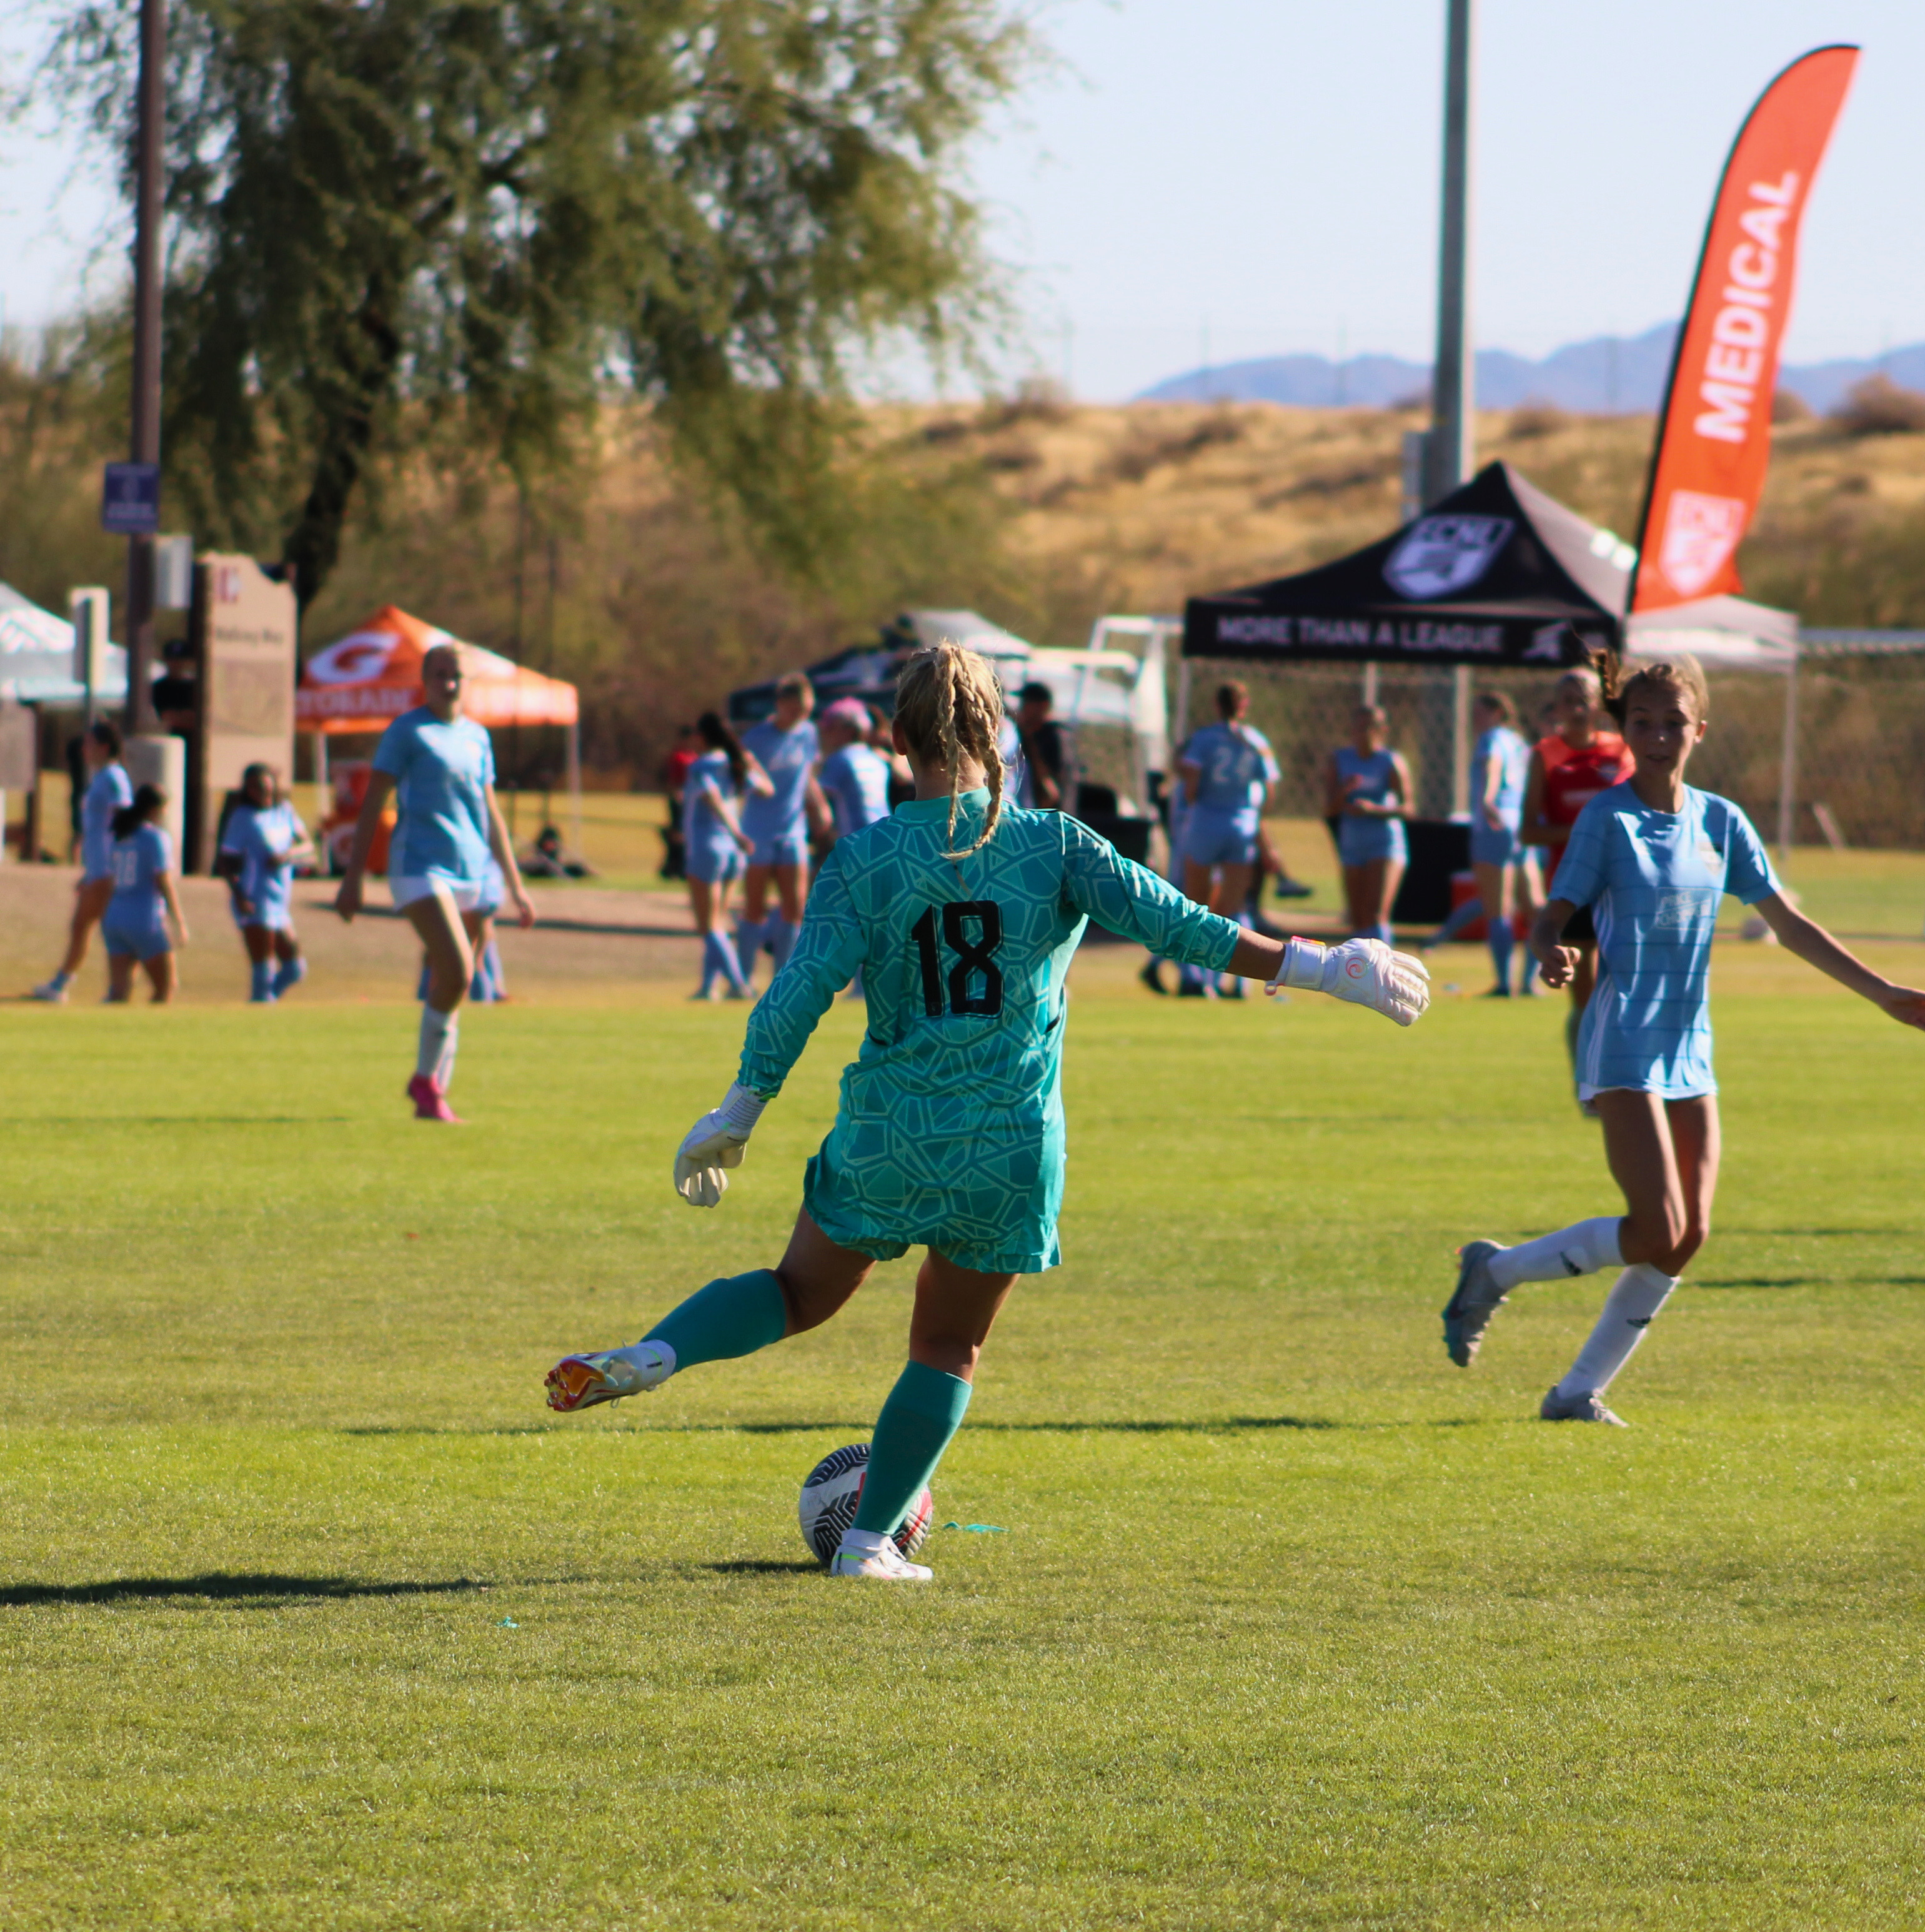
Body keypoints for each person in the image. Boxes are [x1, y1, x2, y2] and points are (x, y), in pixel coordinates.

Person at [538, 643, 1431, 1578]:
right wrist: (1325, 966)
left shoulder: (865, 858)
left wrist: (738, 1111)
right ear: (996, 731)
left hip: (889, 1133)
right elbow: (1182, 926)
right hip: (1005, 1146)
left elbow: (797, 994)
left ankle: (656, 1352)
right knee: (947, 1343)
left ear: (895, 740)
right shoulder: (1052, 842)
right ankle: (870, 1543)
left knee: (799, 1293)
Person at [1441, 651, 1925, 1423]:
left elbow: (1789, 924)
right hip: (1622, 1035)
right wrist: (1552, 944)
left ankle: (1576, 1392)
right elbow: (1558, 908)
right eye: (1641, 722)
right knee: (1654, 1226)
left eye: (1672, 722)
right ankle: (1499, 1272)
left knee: (1687, 1237)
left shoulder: (1722, 819)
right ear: (1624, 732)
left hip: (1691, 1042)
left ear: (1700, 729)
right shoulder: (1606, 817)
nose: (1656, 735)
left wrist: (1881, 991)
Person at [334, 641, 536, 1119]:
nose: (449, 683)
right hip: (419, 867)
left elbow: (490, 813)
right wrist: (353, 878)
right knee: (461, 970)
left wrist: (516, 885)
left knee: (454, 981)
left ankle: (432, 1089)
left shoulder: (477, 738)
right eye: (440, 674)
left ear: (467, 681)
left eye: (457, 675)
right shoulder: (407, 732)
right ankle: (426, 1082)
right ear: (425, 680)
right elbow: (373, 803)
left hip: (470, 868)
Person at [1523, 665, 1636, 1081]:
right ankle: (1589, 1083)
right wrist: (1581, 832)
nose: (1575, 707)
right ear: (1557, 706)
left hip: (1618, 886)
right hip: (1572, 887)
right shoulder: (1546, 755)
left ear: (1597, 704)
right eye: (1567, 699)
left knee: (1624, 988)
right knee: (1584, 995)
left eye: (1583, 698)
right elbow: (1528, 830)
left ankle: (1622, 1080)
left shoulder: (1620, 751)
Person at [1169, 681, 1280, 997]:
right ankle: (1232, 980)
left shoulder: (1204, 739)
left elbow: (1191, 784)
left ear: (1217, 706)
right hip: (1242, 824)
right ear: (1244, 706)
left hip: (1206, 821)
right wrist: (1255, 815)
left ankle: (1194, 978)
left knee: (1196, 905)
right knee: (1231, 908)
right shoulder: (1256, 741)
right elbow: (1270, 790)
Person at [31, 718, 134, 1002]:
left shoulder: (113, 777)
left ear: (103, 746)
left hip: (107, 871)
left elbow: (123, 822)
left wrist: (114, 869)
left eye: (89, 744)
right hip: (98, 869)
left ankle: (68, 986)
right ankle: (77, 985)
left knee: (94, 927)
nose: (84, 749)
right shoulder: (101, 777)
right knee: (89, 926)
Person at [736, 673, 826, 984]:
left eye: (807, 709)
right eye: (797, 708)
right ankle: (743, 979)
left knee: (795, 905)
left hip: (793, 832)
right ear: (781, 705)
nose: (802, 715)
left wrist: (819, 806)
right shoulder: (757, 738)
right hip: (758, 832)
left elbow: (807, 776)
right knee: (755, 907)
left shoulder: (809, 734)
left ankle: (784, 978)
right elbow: (740, 773)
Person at [679, 711, 763, 999]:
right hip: (732, 853)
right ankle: (708, 986)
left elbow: (712, 798)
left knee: (708, 925)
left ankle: (739, 984)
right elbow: (767, 789)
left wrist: (737, 832)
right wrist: (752, 764)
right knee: (720, 921)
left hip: (708, 847)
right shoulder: (734, 763)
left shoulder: (701, 766)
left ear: (702, 737)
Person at [1324, 704, 1415, 948]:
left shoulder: (1390, 761)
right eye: (1359, 726)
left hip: (1384, 842)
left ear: (1382, 730)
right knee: (1357, 917)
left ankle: (1384, 975)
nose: (1364, 732)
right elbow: (1329, 809)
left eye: (1370, 727)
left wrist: (1374, 810)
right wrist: (1345, 792)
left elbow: (1408, 808)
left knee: (1377, 913)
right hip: (1352, 842)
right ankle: (1359, 976)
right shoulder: (1340, 759)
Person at [219, 760, 310, 1001]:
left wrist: (288, 855)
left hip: (279, 898)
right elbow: (226, 861)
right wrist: (238, 895)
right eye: (255, 788)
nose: (261, 793)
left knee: (295, 968)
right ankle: (262, 1005)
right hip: (254, 898)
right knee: (264, 968)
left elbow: (307, 845)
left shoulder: (284, 811)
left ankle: (264, 1003)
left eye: (265, 787)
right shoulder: (243, 817)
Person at [1468, 686, 1538, 998]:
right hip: (1521, 825)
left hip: (1495, 824)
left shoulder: (1493, 738)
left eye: (1479, 711)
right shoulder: (1520, 742)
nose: (1474, 718)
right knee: (1535, 906)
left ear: (1496, 713)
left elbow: (1491, 766)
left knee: (1498, 909)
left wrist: (1487, 797)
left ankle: (1504, 983)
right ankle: (1529, 982)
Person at [99, 784, 187, 1004]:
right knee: (165, 988)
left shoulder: (119, 834)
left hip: (115, 917)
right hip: (144, 919)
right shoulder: (155, 838)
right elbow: (163, 880)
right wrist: (178, 920)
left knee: (119, 993)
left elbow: (110, 878)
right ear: (154, 809)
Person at [815, 700, 896, 853]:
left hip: (857, 841)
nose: (825, 734)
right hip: (887, 836)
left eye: (830, 727)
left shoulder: (840, 759)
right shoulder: (876, 759)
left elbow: (818, 798)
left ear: (849, 731)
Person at [1014, 680, 1077, 814]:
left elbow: (1051, 792)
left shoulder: (1055, 737)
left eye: (1027, 703)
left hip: (1053, 819)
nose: (1022, 708)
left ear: (1043, 706)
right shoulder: (1027, 734)